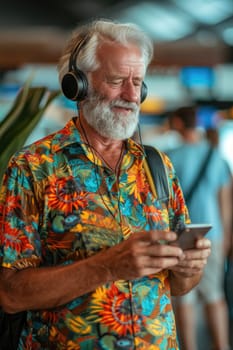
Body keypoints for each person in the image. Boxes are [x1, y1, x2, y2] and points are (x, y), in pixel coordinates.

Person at [0, 20, 211, 350]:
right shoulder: (33, 168)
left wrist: (189, 269)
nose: (131, 95)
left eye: (137, 82)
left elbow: (180, 286)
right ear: (78, 85)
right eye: (116, 81)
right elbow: (10, 294)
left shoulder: (158, 165)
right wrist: (107, 266)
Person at [166, 106, 232, 350]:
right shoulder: (216, 157)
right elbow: (224, 201)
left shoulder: (169, 157)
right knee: (214, 295)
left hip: (180, 236)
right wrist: (226, 237)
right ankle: (222, 346)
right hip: (211, 235)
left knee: (184, 297)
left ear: (179, 123)